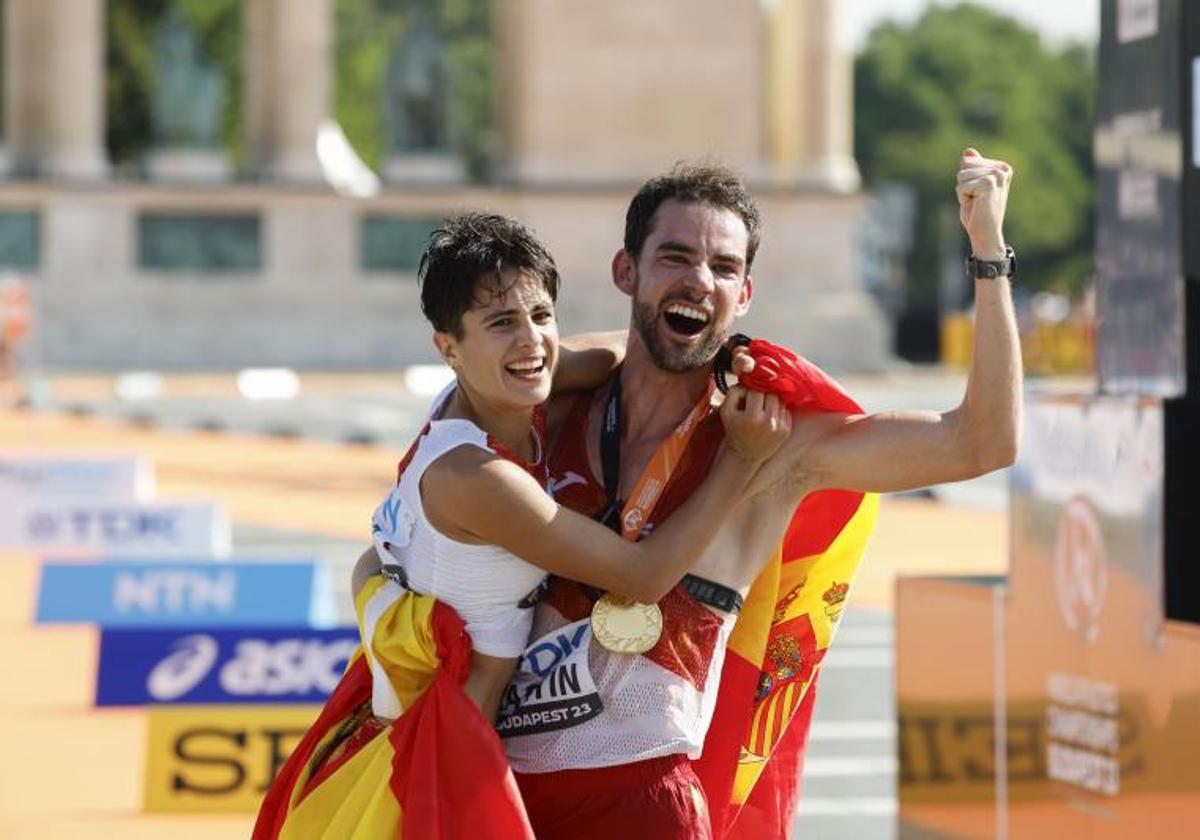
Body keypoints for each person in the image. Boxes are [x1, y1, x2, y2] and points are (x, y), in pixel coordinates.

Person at [499, 148, 1020, 839]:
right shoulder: (559, 407)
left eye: (724, 268)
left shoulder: (774, 446)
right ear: (627, 271)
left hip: (644, 807)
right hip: (502, 794)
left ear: (744, 295)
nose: (699, 280)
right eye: (675, 258)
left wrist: (988, 255)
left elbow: (980, 443)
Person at [254, 212, 792, 839]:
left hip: (431, 733)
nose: (531, 342)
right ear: (447, 348)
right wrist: (740, 460)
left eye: (541, 316)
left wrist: (707, 335)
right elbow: (644, 576)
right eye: (501, 323)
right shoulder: (479, 478)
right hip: (434, 777)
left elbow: (619, 353)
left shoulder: (489, 395)